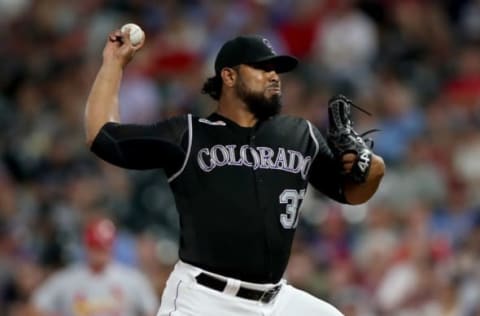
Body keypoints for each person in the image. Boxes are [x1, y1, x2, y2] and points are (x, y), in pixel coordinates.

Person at [84, 28, 385, 315]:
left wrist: (373, 167)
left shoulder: (300, 134)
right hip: (204, 299)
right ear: (228, 76)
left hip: (277, 299)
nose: (273, 76)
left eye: (276, 69)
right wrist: (114, 63)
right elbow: (102, 136)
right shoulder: (189, 135)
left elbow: (352, 193)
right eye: (261, 68)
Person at [31, 217, 159, 316]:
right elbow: (36, 307)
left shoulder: (133, 279)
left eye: (103, 248)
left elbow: (152, 310)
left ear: (112, 248)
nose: (99, 254)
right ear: (87, 247)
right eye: (95, 248)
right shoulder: (67, 278)